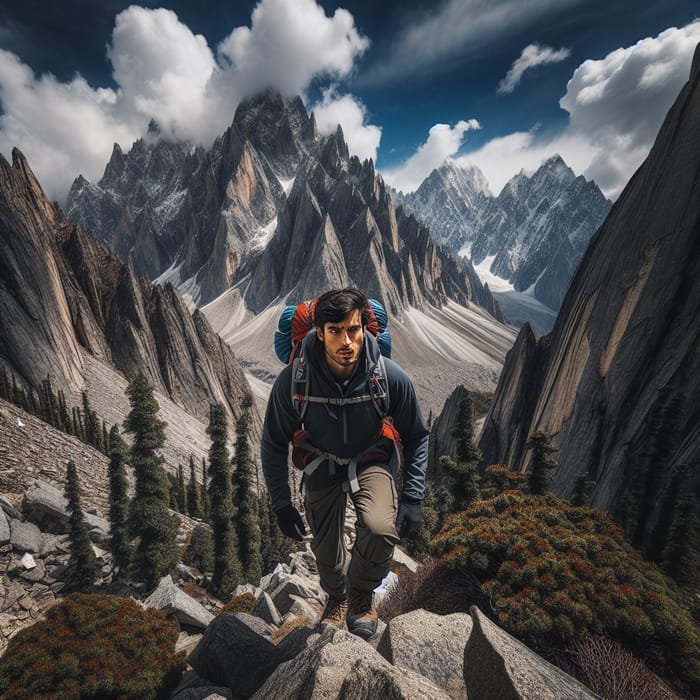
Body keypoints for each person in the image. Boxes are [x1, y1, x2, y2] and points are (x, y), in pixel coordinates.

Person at [261, 288, 429, 639]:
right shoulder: (294, 379)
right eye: (335, 331)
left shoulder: (388, 376)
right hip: (322, 461)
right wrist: (281, 503)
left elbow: (416, 434)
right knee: (325, 548)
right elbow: (273, 441)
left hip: (371, 457)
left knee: (381, 528)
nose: (347, 341)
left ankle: (360, 595)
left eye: (353, 330)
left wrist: (411, 498)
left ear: (364, 328)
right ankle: (335, 597)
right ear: (318, 332)